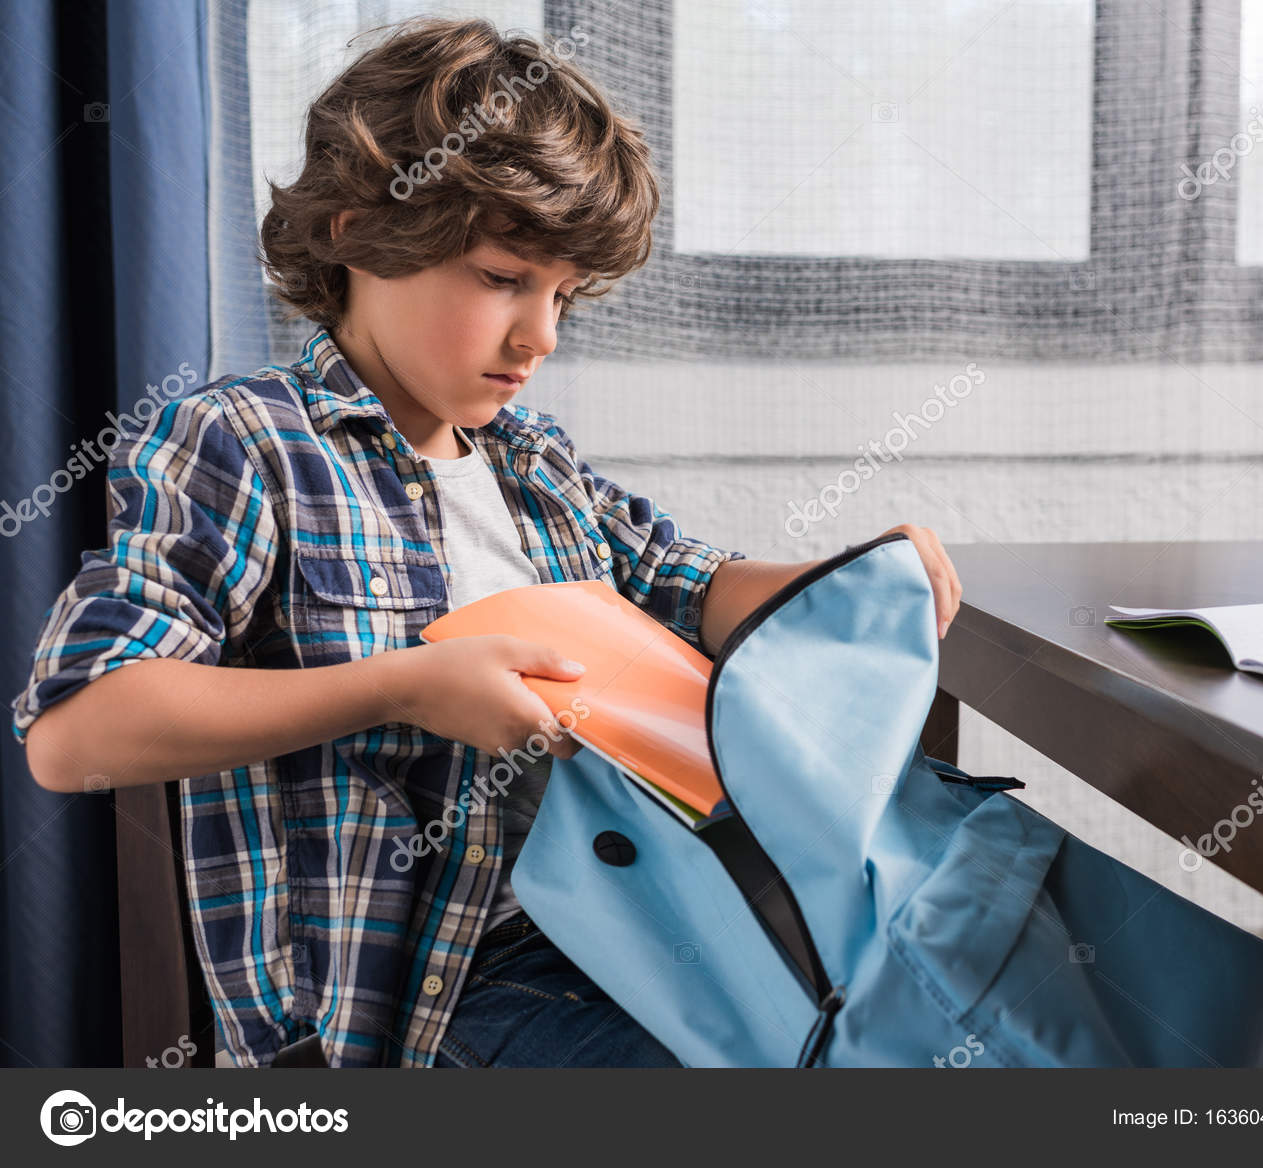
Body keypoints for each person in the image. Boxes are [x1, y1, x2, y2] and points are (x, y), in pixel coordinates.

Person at [12, 16, 961, 1068]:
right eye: (505, 278)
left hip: (639, 926)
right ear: (350, 232)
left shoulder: (531, 459)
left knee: (930, 1020)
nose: (540, 336)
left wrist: (859, 573)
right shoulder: (243, 444)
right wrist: (404, 684)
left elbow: (687, 585)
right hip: (433, 1002)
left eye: (562, 295)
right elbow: (78, 726)